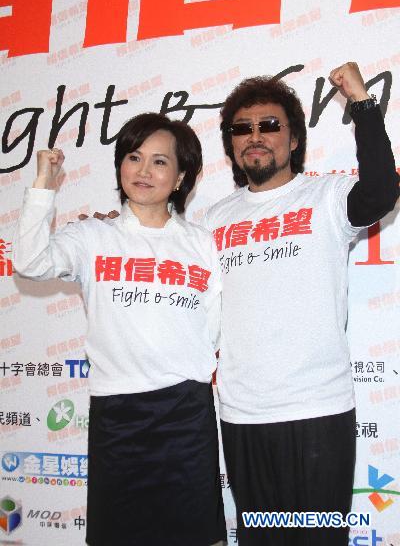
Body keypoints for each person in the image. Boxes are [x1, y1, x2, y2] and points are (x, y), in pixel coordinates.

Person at [203, 62, 399, 545]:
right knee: (260, 538)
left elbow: (381, 190)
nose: (255, 137)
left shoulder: (326, 197)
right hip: (242, 412)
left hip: (317, 411)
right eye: (242, 129)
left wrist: (361, 102)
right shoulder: (212, 219)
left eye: (270, 125)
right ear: (231, 144)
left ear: (293, 140)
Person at [12, 113, 227, 546]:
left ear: (182, 175)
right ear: (120, 166)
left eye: (160, 162)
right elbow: (29, 263)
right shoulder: (92, 235)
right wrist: (44, 187)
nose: (144, 171)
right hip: (118, 414)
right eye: (134, 157)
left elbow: (213, 324)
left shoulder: (200, 242)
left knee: (199, 535)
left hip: (186, 411)